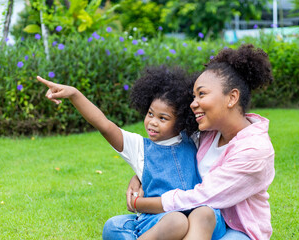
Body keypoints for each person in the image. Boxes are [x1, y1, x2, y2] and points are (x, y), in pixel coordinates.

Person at [106, 44, 275, 240]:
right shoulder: (207, 133)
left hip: (234, 229)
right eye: (193, 96)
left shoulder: (255, 150)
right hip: (190, 218)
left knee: (201, 216)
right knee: (115, 227)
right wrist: (141, 175)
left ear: (232, 97)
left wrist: (139, 204)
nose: (193, 103)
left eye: (201, 94)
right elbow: (171, 153)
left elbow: (202, 197)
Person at [37, 66, 226, 240]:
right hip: (161, 221)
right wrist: (74, 94)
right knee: (176, 221)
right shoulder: (138, 147)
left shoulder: (193, 138)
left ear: (181, 120)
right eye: (150, 114)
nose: (152, 122)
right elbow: (104, 124)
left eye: (163, 118)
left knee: (206, 212)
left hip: (199, 221)